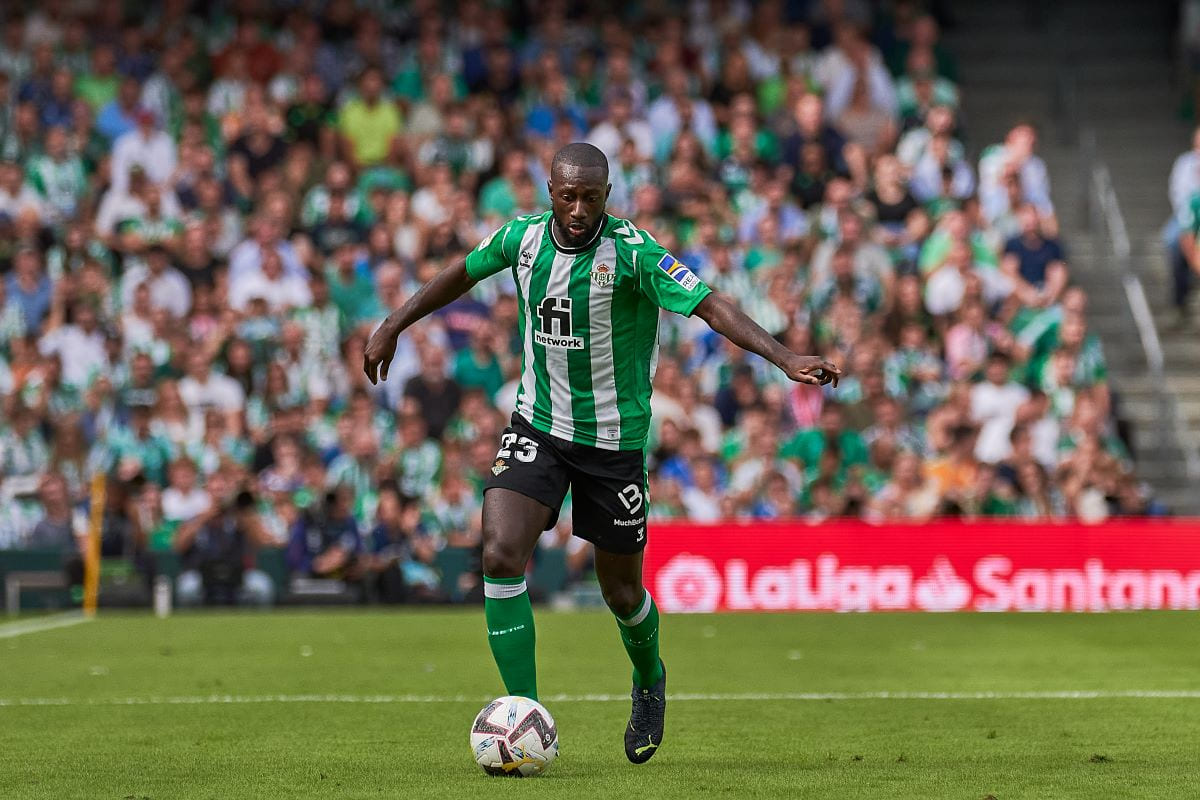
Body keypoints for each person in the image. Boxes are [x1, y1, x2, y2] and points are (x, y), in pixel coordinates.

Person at [362, 142, 840, 764]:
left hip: (613, 445)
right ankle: (525, 715)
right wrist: (394, 322)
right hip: (538, 426)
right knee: (500, 553)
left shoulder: (634, 252)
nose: (579, 208)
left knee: (621, 592)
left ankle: (649, 678)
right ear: (551, 193)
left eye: (591, 197)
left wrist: (784, 356)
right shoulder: (521, 238)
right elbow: (461, 272)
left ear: (607, 195)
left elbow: (711, 304)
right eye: (568, 196)